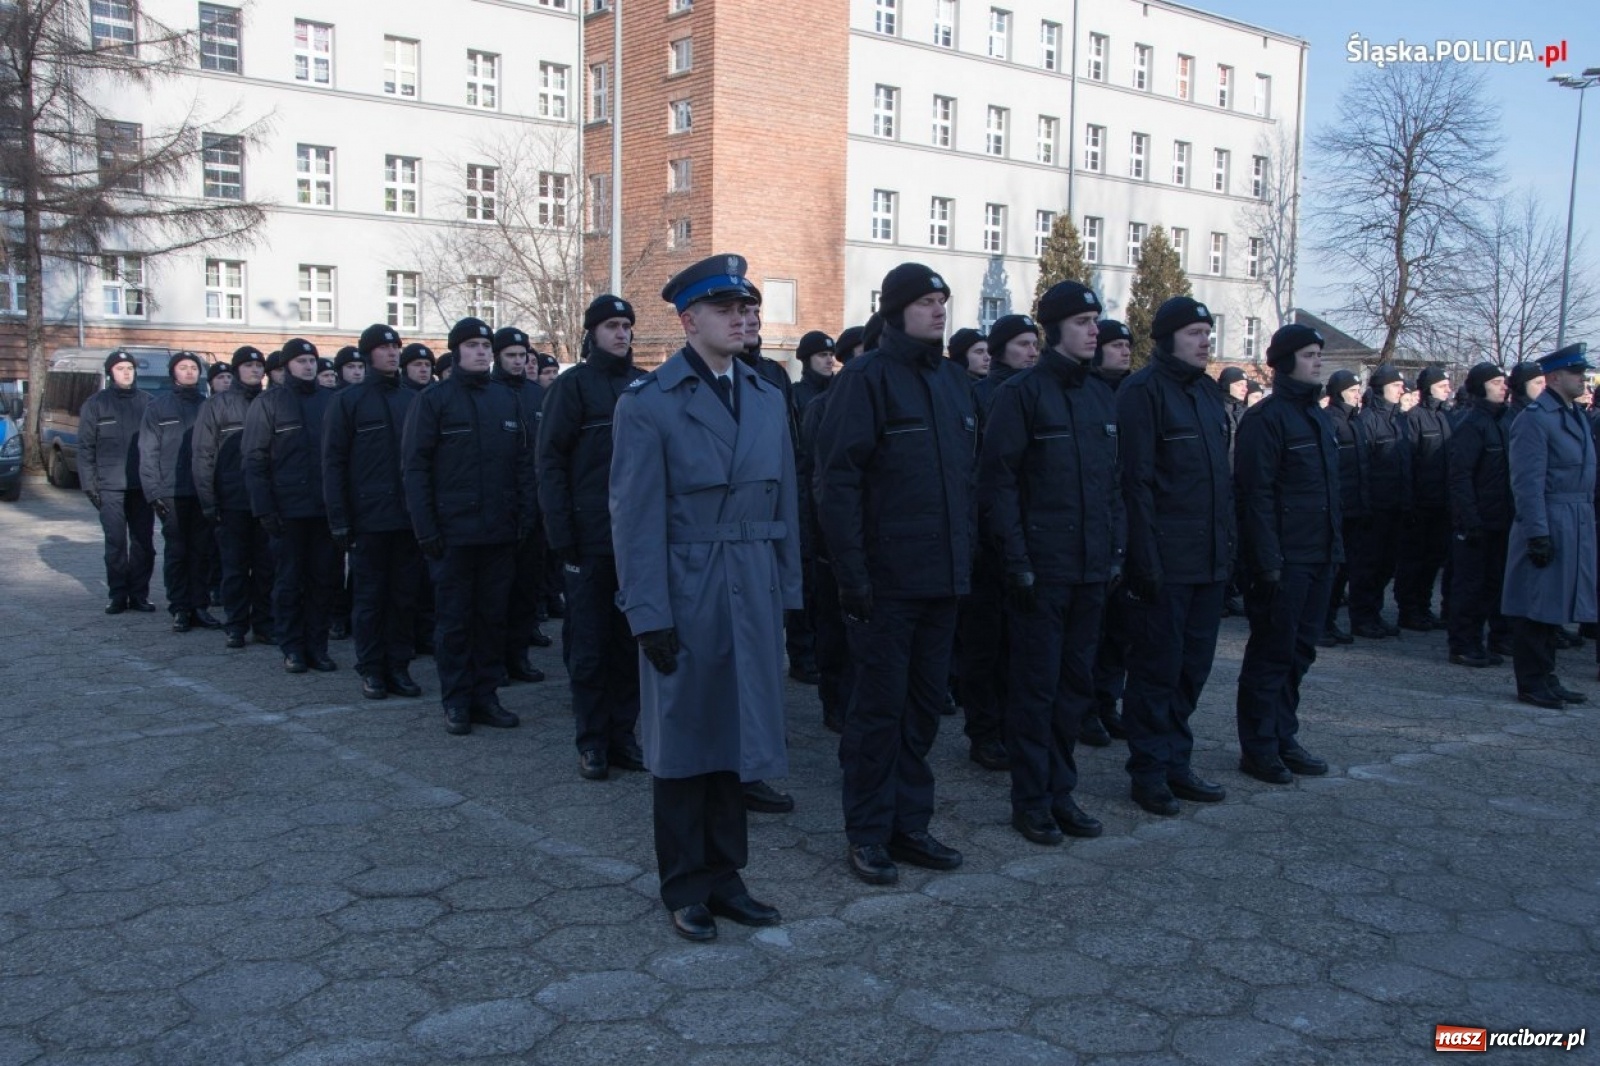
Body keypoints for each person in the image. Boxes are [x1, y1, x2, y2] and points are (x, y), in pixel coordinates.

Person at [610, 254, 800, 941]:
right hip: (687, 587)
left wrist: (789, 594)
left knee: (738, 737)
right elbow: (633, 518)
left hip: (752, 585)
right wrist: (648, 615)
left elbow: (785, 503)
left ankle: (727, 876)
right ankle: (685, 884)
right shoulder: (648, 403)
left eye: (748, 308)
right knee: (685, 741)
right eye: (726, 309)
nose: (743, 319)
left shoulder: (768, 395)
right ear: (690, 321)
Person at [816, 262, 974, 885]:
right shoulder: (866, 379)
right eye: (926, 301)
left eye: (942, 301)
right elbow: (838, 482)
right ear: (896, 311)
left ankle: (910, 823)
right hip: (886, 583)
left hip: (943, 579)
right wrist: (851, 575)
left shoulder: (953, 382)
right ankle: (868, 831)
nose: (938, 311)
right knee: (879, 712)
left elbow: (966, 480)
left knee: (924, 709)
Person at [980, 281, 1120, 845]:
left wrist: (1115, 551)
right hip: (1042, 570)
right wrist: (1016, 559)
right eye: (1083, 321)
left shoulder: (1099, 396)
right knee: (1036, 690)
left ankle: (1062, 792)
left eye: (1096, 320)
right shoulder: (1022, 393)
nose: (1094, 331)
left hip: (1090, 570)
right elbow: (999, 483)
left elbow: (1113, 485)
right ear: (1055, 328)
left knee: (1074, 689)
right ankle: (1032, 799)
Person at [1116, 297, 1234, 816]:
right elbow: (1135, 483)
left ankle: (1176, 762)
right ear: (1166, 339)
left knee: (1193, 668)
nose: (1204, 340)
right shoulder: (1142, 392)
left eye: (1207, 332)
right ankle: (1148, 770)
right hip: (1164, 561)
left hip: (1208, 560)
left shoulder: (1207, 393)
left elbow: (1221, 481)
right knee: (1156, 669)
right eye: (1193, 333)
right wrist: (1143, 560)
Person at [403, 317, 536, 735]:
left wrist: (524, 518)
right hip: (452, 534)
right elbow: (415, 468)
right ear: (456, 351)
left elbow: (522, 464)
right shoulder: (434, 399)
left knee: (492, 619)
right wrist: (426, 529)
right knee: (455, 622)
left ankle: (486, 696)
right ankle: (457, 701)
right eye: (472, 345)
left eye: (484, 345)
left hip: (499, 532)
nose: (481, 352)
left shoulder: (505, 399)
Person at [539, 294, 648, 780]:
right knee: (589, 643)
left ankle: (623, 735)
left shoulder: (644, 385)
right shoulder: (572, 387)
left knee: (630, 641)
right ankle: (592, 741)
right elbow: (550, 461)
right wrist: (562, 531)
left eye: (626, 325)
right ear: (593, 334)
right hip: (589, 537)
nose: (621, 334)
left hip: (638, 538)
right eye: (611, 326)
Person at [1233, 324, 1341, 784]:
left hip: (1319, 554)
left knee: (1300, 652)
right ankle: (1258, 746)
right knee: (1272, 653)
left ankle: (1283, 735)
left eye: (1319, 354)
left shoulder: (1318, 417)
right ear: (1285, 362)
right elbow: (1254, 495)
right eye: (1310, 355)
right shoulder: (1266, 419)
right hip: (1284, 560)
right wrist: (1267, 561)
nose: (1318, 362)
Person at [323, 323, 424, 701]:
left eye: (396, 346)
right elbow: (333, 463)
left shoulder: (413, 399)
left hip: (407, 518)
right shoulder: (347, 401)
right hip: (368, 518)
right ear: (368, 355)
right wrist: (339, 519)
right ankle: (371, 668)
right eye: (384, 347)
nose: (393, 352)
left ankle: (399, 665)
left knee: (404, 597)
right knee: (369, 598)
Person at [960, 313, 1041, 773]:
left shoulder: (1038, 391)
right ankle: (984, 730)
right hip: (987, 540)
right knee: (985, 643)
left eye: (1035, 344)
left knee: (1020, 643)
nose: (1032, 352)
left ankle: (1012, 725)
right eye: (1022, 344)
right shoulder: (981, 395)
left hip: (1027, 534)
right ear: (1000, 350)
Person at [1503, 344, 1596, 708]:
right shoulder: (1535, 418)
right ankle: (1531, 681)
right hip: (1550, 519)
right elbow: (1527, 483)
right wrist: (1537, 533)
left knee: (1555, 604)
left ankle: (1546, 675)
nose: (1583, 379)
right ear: (1555, 377)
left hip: (1575, 519)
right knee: (1536, 603)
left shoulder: (1573, 414)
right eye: (1576, 373)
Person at [243, 338, 339, 674]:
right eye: (301, 361)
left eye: (312, 360)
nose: (309, 366)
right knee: (289, 581)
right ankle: (292, 647)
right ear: (286, 367)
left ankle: (318, 646)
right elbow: (254, 459)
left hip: (324, 510)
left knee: (323, 581)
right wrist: (264, 508)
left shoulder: (331, 400)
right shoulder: (269, 403)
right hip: (287, 511)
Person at [193, 346, 274, 648]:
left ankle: (264, 624)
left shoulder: (271, 401)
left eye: (258, 366)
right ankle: (236, 624)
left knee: (266, 567)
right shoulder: (217, 405)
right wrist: (208, 500)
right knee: (235, 567)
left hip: (265, 500)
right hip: (232, 500)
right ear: (237, 369)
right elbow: (203, 455)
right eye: (248, 365)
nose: (254, 370)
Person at [140, 351, 221, 633]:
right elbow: (148, 451)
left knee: (201, 551)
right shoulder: (158, 407)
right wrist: (153, 492)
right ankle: (180, 608)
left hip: (201, 491)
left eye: (193, 368)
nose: (189, 372)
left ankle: (200, 606)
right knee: (177, 551)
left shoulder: (208, 406)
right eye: (183, 367)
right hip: (170, 491)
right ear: (173, 373)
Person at [489, 326, 550, 688]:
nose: (517, 362)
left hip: (534, 508)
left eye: (522, 356)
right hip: (499, 509)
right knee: (497, 594)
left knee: (527, 590)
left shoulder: (537, 396)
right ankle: (494, 660)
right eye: (510, 356)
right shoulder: (490, 393)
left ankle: (518, 656)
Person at [1085, 319, 1135, 746]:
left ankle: (1106, 701)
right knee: (1092, 631)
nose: (1125, 352)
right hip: (1092, 525)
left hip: (1126, 521)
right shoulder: (1087, 392)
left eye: (1127, 345)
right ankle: (1084, 709)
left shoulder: (1135, 394)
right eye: (1116, 345)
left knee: (1120, 630)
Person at [77, 350, 156, 614]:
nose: (126, 373)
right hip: (109, 486)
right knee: (116, 543)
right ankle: (118, 594)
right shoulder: (96, 404)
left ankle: (140, 594)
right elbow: (86, 448)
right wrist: (90, 486)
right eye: (120, 368)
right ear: (110, 372)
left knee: (144, 543)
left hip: (141, 486)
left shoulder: (148, 403)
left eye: (130, 368)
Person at [1446, 363, 1514, 668]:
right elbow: (1460, 476)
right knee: (1469, 586)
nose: (1503, 387)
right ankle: (1463, 644)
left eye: (1503, 381)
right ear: (1480, 387)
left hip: (1498, 519)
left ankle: (1477, 641)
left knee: (1490, 584)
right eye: (1496, 382)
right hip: (1476, 522)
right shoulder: (1472, 424)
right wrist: (1470, 519)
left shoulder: (1501, 422)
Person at [1348, 365, 1410, 639]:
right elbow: (1363, 466)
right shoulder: (1368, 420)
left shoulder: (1397, 420)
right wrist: (1366, 504)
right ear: (1381, 388)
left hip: (1395, 505)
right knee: (1368, 565)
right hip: (1375, 507)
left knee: (1386, 565)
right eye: (1395, 385)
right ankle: (1362, 616)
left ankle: (1374, 613)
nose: (1401, 390)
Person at [1395, 367, 1453, 630]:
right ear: (1428, 388)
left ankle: (1423, 606)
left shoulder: (1445, 417)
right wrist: (1409, 502)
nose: (1448, 389)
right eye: (1442, 385)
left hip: (1442, 503)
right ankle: (1408, 610)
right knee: (1413, 560)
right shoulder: (1414, 418)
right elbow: (1408, 463)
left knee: (1433, 559)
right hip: (1421, 503)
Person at [1320, 369, 1368, 647]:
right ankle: (1321, 622)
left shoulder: (1355, 421)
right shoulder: (1330, 420)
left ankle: (1330, 620)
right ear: (1338, 393)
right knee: (1332, 570)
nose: (1357, 395)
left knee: (1345, 570)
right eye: (1352, 390)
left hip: (1355, 507)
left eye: (1358, 390)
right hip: (1338, 507)